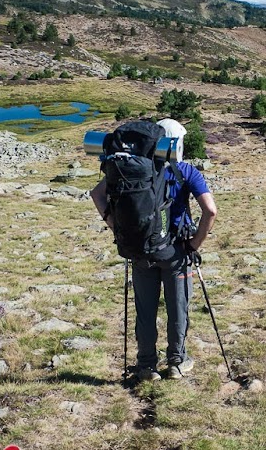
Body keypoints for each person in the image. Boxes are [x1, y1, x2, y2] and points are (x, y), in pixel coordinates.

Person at [91, 118, 217, 381]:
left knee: (145, 311)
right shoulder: (186, 171)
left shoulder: (132, 169)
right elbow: (210, 210)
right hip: (175, 253)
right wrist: (194, 244)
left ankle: (146, 366)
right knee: (178, 308)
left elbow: (97, 194)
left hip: (140, 251)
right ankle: (176, 362)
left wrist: (116, 228)